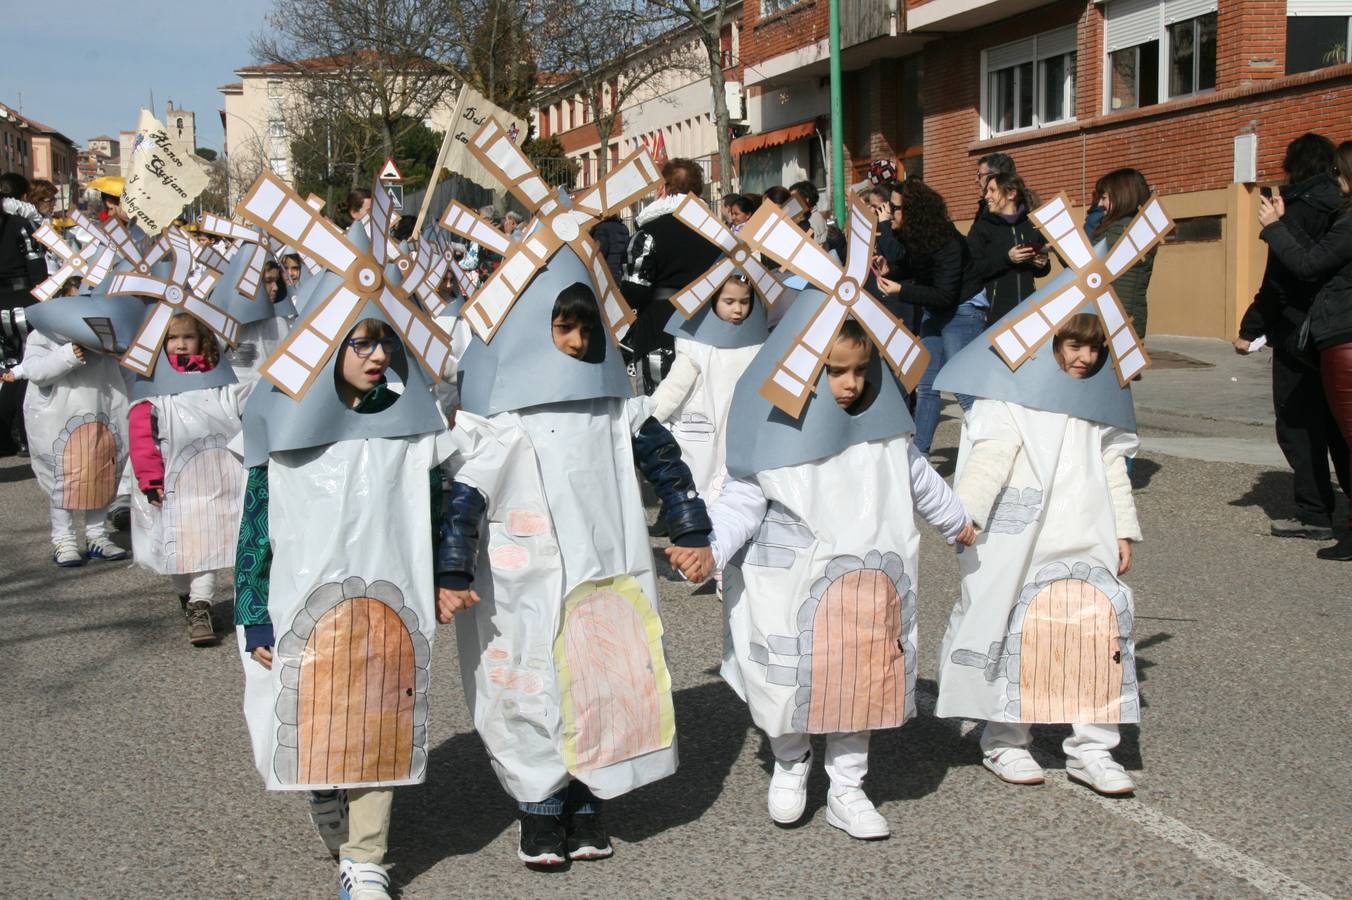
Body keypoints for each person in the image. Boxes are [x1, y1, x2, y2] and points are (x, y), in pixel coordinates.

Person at [441, 264, 711, 867]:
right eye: (563, 329)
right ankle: (539, 807)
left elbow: (666, 464)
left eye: (586, 330)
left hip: (604, 571)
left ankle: (590, 798)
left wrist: (690, 525)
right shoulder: (503, 421)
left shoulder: (618, 411)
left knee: (604, 679)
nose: (577, 343)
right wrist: (453, 571)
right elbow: (466, 496)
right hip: (524, 581)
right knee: (530, 685)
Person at [667, 307, 972, 840]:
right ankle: (791, 759)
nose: (850, 384)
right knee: (790, 681)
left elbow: (920, 479)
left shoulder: (884, 436)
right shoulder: (774, 434)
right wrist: (711, 549)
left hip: (866, 586)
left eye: (860, 370)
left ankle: (847, 787)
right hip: (791, 586)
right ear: (801, 369)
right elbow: (742, 499)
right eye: (834, 371)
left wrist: (958, 522)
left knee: (860, 681)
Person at [234, 316, 458, 900]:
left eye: (385, 341)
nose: (378, 354)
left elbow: (432, 505)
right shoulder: (282, 419)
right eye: (361, 343)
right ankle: (324, 786)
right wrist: (253, 607)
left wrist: (440, 575)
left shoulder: (406, 417)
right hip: (303, 597)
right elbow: (256, 520)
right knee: (316, 708)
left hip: (389, 594)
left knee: (381, 716)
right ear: (325, 350)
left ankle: (365, 858)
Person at [936, 313, 1143, 796]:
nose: (1085, 358)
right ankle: (1005, 735)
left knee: (1093, 631)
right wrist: (966, 515)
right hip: (1023, 535)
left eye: (1095, 349)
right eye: (1073, 345)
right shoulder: (1011, 396)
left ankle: (1093, 747)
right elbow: (990, 455)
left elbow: (1114, 465)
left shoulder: (1099, 400)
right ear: (1049, 340)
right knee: (1018, 629)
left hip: (1086, 527)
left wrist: (1123, 531)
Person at [1237, 134, 1349, 541]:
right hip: (1334, 332)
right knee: (1341, 423)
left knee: (1299, 422)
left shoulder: (1297, 209)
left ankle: (1315, 511)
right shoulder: (1339, 207)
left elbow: (1285, 278)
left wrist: (1250, 329)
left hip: (1299, 330)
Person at [128, 313, 246, 645]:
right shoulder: (153, 394)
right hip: (173, 484)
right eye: (172, 338)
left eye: (187, 337)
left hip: (218, 479)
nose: (180, 345)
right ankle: (187, 597)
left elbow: (243, 412)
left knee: (207, 542)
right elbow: (143, 438)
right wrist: (150, 480)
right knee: (179, 549)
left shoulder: (220, 383)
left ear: (202, 341)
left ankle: (200, 604)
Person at [2, 307, 130, 566]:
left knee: (101, 474)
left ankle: (97, 535)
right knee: (64, 479)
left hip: (103, 410)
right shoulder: (43, 335)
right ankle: (63, 538)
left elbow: (125, 370)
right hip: (60, 416)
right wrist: (68, 354)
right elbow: (36, 371)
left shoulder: (106, 334)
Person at [874, 179, 989, 455]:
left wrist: (902, 291)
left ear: (913, 211)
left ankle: (988, 445)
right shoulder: (914, 235)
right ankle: (920, 456)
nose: (889, 213)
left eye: (895, 208)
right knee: (926, 386)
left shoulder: (946, 240)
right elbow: (913, 267)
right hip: (936, 311)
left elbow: (945, 295)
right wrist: (889, 269)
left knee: (963, 388)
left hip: (963, 309)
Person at [651, 273, 763, 503]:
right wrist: (648, 418)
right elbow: (673, 389)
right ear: (713, 301)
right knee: (700, 488)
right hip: (703, 434)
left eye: (745, 301)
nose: (738, 309)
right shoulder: (696, 349)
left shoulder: (758, 346)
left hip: (741, 433)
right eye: (729, 302)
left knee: (738, 494)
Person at [621, 158, 722, 390]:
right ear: (698, 190)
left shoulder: (648, 233)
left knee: (658, 408)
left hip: (659, 329)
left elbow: (634, 290)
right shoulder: (717, 233)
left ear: (663, 188)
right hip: (707, 329)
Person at [1, 171, 47, 455]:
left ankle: (5, 436)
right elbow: (38, 269)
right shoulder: (21, 226)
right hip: (22, 304)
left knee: (5, 370)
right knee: (25, 369)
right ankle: (25, 436)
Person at [967, 172, 1051, 323]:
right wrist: (1007, 259)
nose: (986, 196)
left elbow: (1042, 272)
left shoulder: (1032, 225)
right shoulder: (981, 228)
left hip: (1028, 313)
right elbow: (972, 269)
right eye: (987, 191)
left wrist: (1042, 264)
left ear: (1011, 194)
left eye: (992, 190)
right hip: (994, 317)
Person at [1085, 169, 1157, 337]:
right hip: (1124, 317)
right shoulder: (1134, 227)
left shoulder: (1121, 231)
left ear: (1122, 196)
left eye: (1104, 198)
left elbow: (1087, 266)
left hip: (1116, 321)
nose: (1100, 204)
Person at [589, 213, 630, 280]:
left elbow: (600, 253)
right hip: (622, 270)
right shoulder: (624, 228)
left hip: (608, 272)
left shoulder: (602, 228)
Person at [975, 152, 1017, 216]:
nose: (976, 180)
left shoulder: (1030, 218)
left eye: (979, 175)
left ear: (994, 176)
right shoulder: (984, 210)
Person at [789, 180, 828, 244]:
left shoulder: (812, 220)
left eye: (794, 199)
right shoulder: (806, 217)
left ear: (806, 200)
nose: (791, 203)